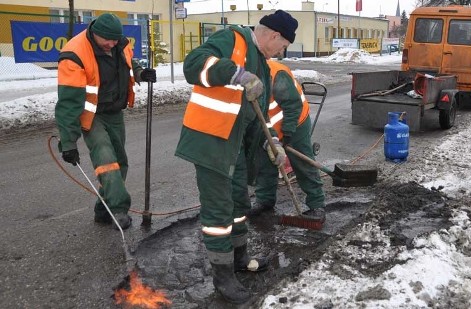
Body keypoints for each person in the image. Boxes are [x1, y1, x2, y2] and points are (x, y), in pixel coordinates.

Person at [174, 10, 297, 304]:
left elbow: (261, 114)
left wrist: (274, 144)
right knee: (219, 209)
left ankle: (240, 256)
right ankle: (222, 275)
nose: (283, 51)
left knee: (239, 202)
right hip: (210, 140)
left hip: (235, 144)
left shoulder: (265, 68)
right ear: (273, 35)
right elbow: (193, 65)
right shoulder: (232, 40)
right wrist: (236, 73)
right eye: (283, 45)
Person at [55, 13, 156, 230]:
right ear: (95, 34)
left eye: (114, 40)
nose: (111, 44)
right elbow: (68, 103)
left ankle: (103, 209)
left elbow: (129, 64)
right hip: (91, 115)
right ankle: (119, 209)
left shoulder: (119, 43)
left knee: (120, 162)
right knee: (106, 158)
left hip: (114, 112)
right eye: (106, 41)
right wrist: (69, 142)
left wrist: (140, 73)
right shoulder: (74, 54)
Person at [248, 59, 326, 221]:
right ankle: (265, 200)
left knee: (301, 161)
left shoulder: (276, 74)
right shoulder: (240, 75)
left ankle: (316, 203)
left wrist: (288, 134)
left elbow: (293, 106)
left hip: (295, 123)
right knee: (265, 161)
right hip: (267, 129)